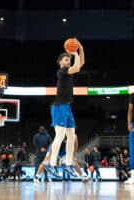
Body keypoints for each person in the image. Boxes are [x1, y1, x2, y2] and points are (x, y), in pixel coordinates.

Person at [47, 39, 85, 177]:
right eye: (65, 59)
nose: (68, 61)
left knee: (72, 136)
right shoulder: (61, 71)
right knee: (60, 136)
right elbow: (77, 67)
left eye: (68, 59)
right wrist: (74, 54)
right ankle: (51, 165)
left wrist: (80, 48)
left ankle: (68, 164)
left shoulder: (69, 70)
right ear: (60, 62)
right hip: (59, 106)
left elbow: (80, 63)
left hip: (67, 107)